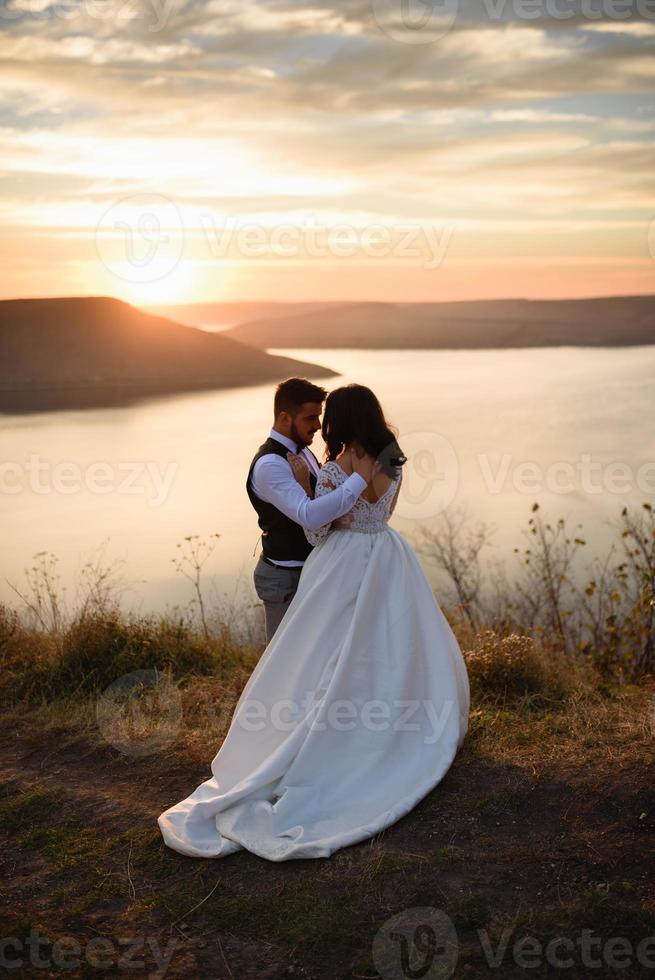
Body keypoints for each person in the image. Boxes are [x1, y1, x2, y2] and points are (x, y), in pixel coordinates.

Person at [157, 383, 470, 861]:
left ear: (341, 421)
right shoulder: (393, 461)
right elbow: (383, 512)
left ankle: (313, 738)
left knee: (318, 656)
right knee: (388, 647)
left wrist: (339, 489)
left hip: (340, 565)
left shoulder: (332, 468)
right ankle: (394, 726)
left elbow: (316, 527)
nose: (321, 426)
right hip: (387, 557)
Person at [246, 377, 379, 644]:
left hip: (311, 571)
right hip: (285, 578)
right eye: (310, 418)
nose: (318, 425)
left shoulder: (303, 452)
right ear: (285, 418)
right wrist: (360, 478)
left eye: (319, 416)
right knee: (284, 658)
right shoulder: (270, 464)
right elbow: (309, 515)